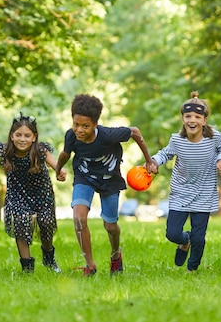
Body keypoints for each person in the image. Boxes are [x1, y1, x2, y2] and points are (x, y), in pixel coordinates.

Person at [54, 94, 158, 276]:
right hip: (84, 177)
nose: (79, 130)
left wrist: (148, 160)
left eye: (85, 126)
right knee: (78, 218)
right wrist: (58, 169)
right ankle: (90, 265)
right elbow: (65, 153)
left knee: (110, 226)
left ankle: (116, 254)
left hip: (109, 180)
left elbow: (134, 132)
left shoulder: (108, 135)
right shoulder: (71, 135)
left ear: (95, 124)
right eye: (76, 124)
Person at [0, 113, 66, 273]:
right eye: (18, 135)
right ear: (12, 136)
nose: (22, 139)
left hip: (42, 193)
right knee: (21, 222)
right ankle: (27, 267)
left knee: (46, 223)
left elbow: (57, 166)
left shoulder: (40, 150)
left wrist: (60, 172)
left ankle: (49, 258)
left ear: (34, 137)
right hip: (17, 194)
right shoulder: (5, 150)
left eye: (27, 135)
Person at [146, 92, 221, 273]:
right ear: (182, 119)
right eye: (188, 116)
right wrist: (153, 161)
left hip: (204, 193)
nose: (192, 120)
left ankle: (192, 269)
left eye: (197, 117)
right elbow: (165, 153)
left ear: (205, 120)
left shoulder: (213, 138)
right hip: (180, 192)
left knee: (199, 238)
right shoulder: (177, 139)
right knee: (172, 233)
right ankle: (185, 241)